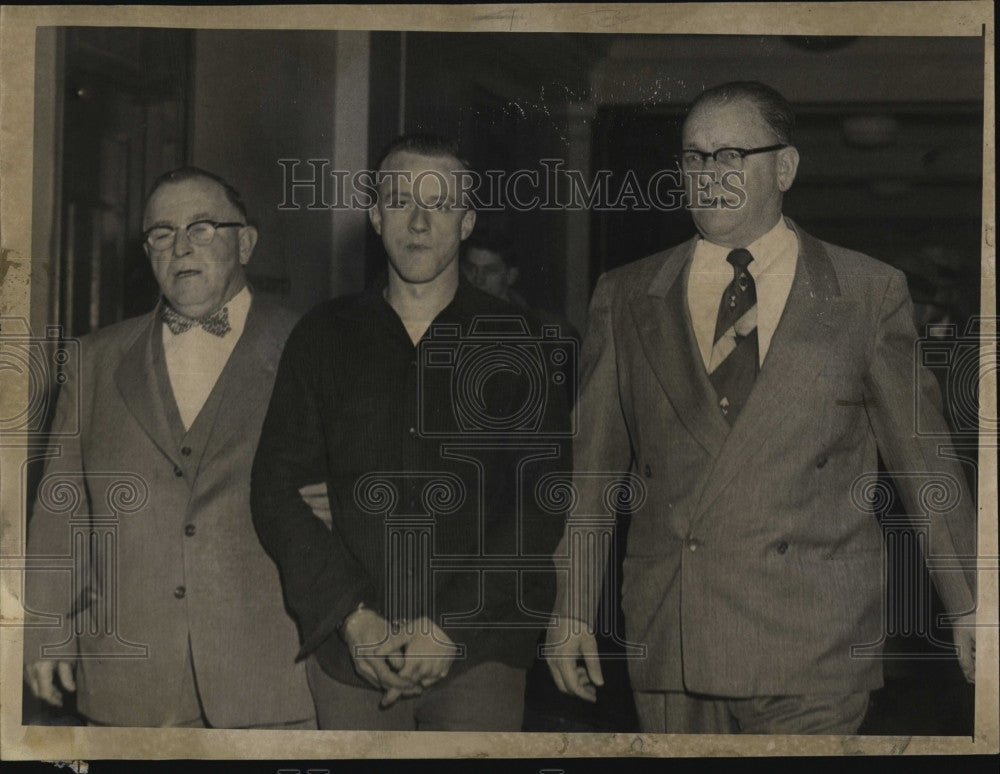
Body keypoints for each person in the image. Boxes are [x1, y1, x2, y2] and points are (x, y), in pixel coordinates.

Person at [545, 81, 977, 734]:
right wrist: (572, 607)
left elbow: (925, 462)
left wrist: (973, 606)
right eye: (694, 157)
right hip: (675, 631)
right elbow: (594, 474)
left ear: (785, 166)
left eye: (730, 156)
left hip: (816, 641)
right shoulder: (627, 295)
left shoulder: (866, 292)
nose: (708, 176)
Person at [251, 133, 570, 731]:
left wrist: (450, 627)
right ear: (374, 215)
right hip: (352, 652)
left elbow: (542, 497)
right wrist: (352, 617)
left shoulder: (518, 340)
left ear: (467, 221)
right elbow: (274, 491)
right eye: (399, 201)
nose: (419, 223)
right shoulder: (323, 335)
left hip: (479, 650)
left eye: (441, 203)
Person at [23, 167, 315, 729]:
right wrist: (44, 628)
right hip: (129, 678)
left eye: (203, 228)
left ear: (246, 242)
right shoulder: (93, 361)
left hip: (269, 677)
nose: (181, 246)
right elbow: (62, 508)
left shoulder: (311, 348)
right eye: (161, 233)